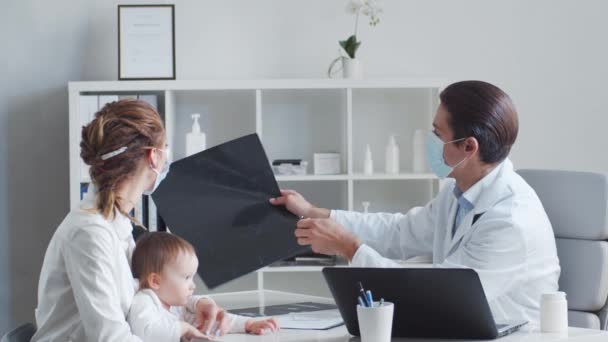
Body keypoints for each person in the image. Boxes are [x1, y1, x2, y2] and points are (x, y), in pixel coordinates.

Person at [270, 80, 560, 323]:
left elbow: (441, 294)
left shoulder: (510, 221)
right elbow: (399, 232)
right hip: (457, 327)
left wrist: (349, 247)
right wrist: (314, 212)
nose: (429, 140)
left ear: (469, 147)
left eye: (437, 133)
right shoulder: (458, 192)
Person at [33, 100, 229, 341]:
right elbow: (111, 338)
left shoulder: (116, 224)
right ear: (153, 156)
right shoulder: (89, 234)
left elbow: (144, 298)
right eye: (165, 147)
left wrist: (195, 305)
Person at [128, 232, 279, 340]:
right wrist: (185, 328)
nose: (192, 285)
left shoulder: (175, 307)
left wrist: (248, 323)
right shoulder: (144, 301)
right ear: (156, 281)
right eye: (186, 277)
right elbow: (146, 333)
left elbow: (209, 323)